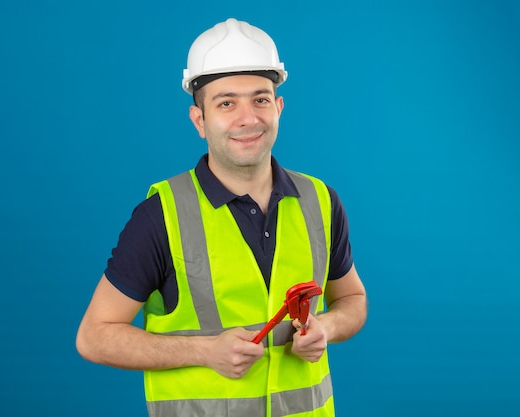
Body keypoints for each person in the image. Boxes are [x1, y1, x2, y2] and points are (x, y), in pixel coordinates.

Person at [76, 17, 367, 417]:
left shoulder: (319, 200)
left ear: (279, 107)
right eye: (226, 103)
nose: (248, 118)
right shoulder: (162, 215)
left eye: (261, 99)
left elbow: (352, 299)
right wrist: (203, 351)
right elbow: (94, 337)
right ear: (200, 120)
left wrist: (327, 329)